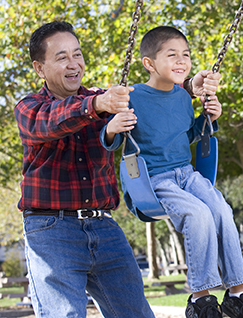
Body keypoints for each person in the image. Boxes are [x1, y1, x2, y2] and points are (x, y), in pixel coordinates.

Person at [14, 21, 220, 318]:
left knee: (136, 314)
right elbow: (51, 121)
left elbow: (149, 96)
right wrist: (97, 103)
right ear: (39, 68)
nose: (74, 64)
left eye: (77, 54)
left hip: (104, 227)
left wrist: (188, 86)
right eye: (62, 58)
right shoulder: (30, 107)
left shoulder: (105, 101)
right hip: (51, 231)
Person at [100, 26, 243, 318]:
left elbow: (186, 134)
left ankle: (238, 294)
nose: (182, 61)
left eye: (186, 55)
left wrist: (209, 119)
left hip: (187, 175)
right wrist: (113, 128)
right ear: (149, 64)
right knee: (198, 215)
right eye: (172, 55)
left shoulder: (181, 97)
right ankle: (200, 300)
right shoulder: (132, 95)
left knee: (220, 209)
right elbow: (110, 140)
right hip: (152, 181)